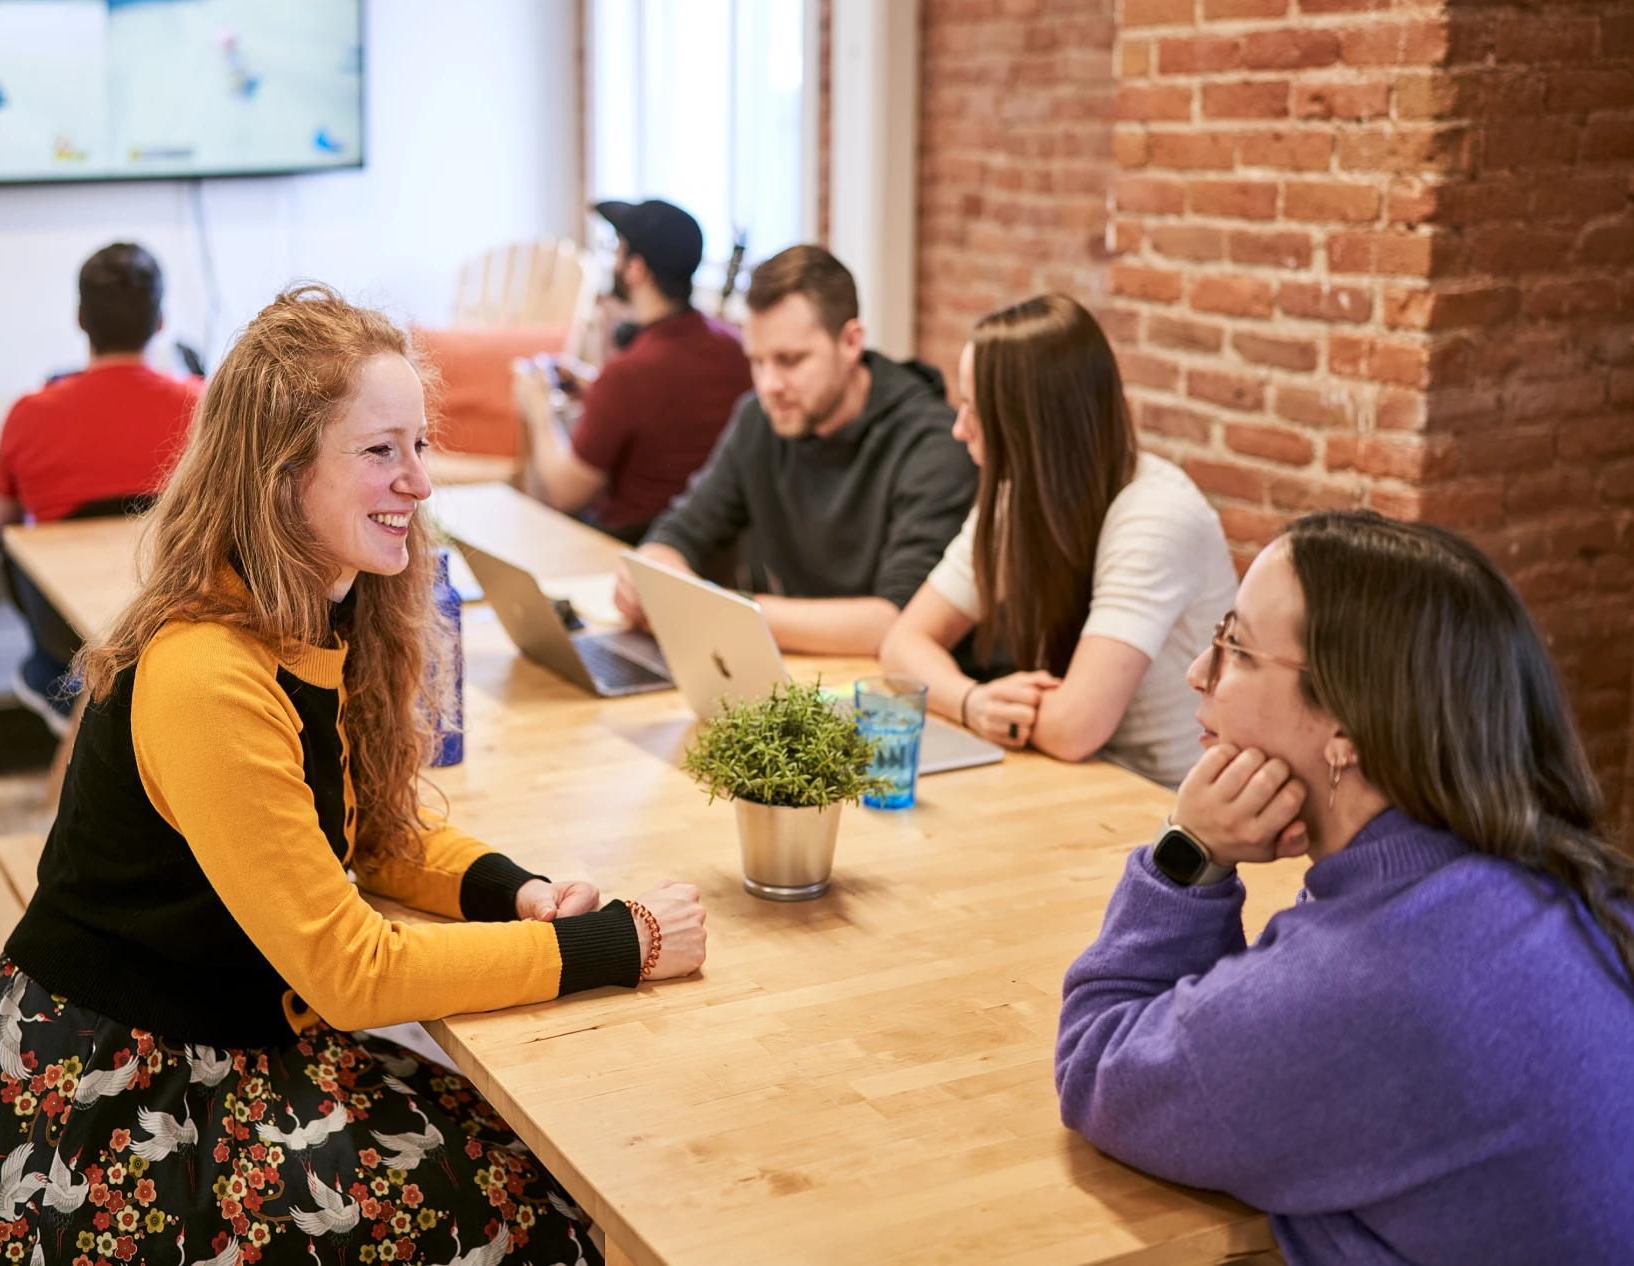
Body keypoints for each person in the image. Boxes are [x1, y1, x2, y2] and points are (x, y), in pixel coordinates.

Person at [0, 285, 708, 1266]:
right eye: (381, 451)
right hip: (120, 1089)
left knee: (526, 1161)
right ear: (280, 471)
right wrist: (617, 944)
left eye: (420, 446)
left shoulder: (322, 610)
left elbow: (373, 831)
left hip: (224, 1032)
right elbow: (352, 971)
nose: (419, 482)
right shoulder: (209, 671)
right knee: (506, 1201)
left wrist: (516, 891)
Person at [1055, 510, 1634, 1265]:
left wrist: (1190, 852)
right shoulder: (1549, 882)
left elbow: (1098, 1067)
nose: (1199, 671)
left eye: (1234, 647)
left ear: (1345, 727)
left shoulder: (1373, 979)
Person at [878, 295, 1234, 786]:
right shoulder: (1017, 496)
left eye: (973, 409)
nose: (958, 429)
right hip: (1069, 778)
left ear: (1028, 427)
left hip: (1160, 804)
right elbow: (902, 642)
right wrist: (972, 701)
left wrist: (970, 699)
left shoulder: (1158, 515)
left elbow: (1074, 727)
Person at [614, 245, 976, 656]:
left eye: (790, 360)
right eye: (758, 361)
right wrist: (652, 575)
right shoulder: (759, 418)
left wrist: (726, 610)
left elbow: (899, 622)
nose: (769, 385)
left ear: (851, 342)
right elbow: (683, 529)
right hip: (800, 675)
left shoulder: (935, 444)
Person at [0, 242, 202, 733]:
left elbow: (0, 523)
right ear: (160, 322)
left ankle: (54, 682)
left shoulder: (29, 414)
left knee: (14, 546)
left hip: (68, 634)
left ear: (81, 319)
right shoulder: (206, 406)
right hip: (182, 622)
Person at [518, 199, 751, 544]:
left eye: (619, 250)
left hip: (626, 545)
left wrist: (538, 409)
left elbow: (565, 494)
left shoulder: (630, 373)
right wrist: (598, 393)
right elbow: (673, 405)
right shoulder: (736, 347)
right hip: (712, 546)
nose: (614, 260)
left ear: (637, 269)